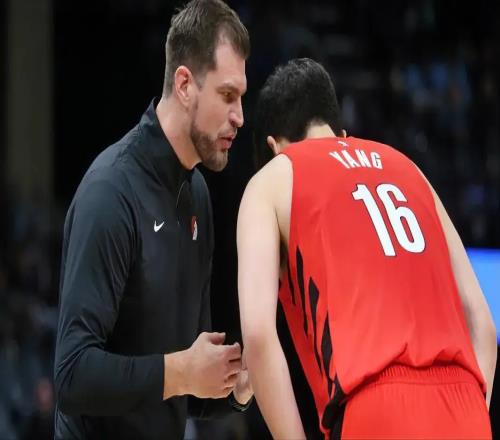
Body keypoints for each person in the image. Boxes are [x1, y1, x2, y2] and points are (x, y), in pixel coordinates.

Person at [237, 58, 497, 439]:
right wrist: (469, 415)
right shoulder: (409, 169)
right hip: (465, 405)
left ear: (273, 148)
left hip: (376, 406)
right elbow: (484, 326)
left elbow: (259, 334)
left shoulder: (273, 178)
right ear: (341, 134)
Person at [53, 1, 253, 438]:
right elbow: (71, 376)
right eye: (227, 95)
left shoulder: (197, 194)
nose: (239, 116)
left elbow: (183, 390)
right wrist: (182, 372)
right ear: (184, 85)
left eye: (240, 97)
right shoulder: (110, 192)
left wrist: (238, 385)